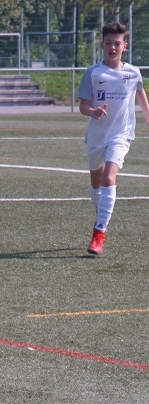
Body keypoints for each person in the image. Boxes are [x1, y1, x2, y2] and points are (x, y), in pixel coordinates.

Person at [78, 22, 149, 256]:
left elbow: (140, 94)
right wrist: (93, 111)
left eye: (117, 43)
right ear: (102, 45)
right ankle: (101, 213)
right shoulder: (93, 72)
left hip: (121, 135)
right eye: (108, 43)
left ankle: (99, 233)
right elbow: (83, 106)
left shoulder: (133, 73)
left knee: (109, 177)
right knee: (96, 183)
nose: (113, 47)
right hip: (97, 136)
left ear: (125, 46)